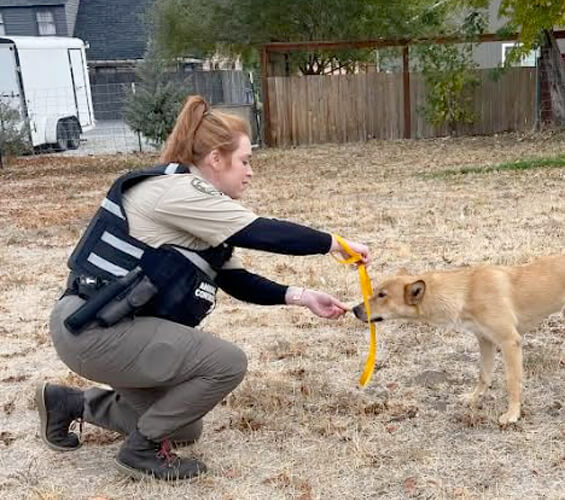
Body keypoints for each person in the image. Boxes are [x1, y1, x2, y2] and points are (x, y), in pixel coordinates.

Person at [36, 95, 370, 481]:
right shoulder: (180, 192)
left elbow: (237, 281)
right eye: (244, 161)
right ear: (215, 158)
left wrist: (302, 297)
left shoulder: (197, 205)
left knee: (181, 426)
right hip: (93, 330)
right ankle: (141, 452)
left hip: (106, 329)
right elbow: (262, 232)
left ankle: (71, 403)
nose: (250, 172)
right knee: (227, 363)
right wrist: (335, 243)